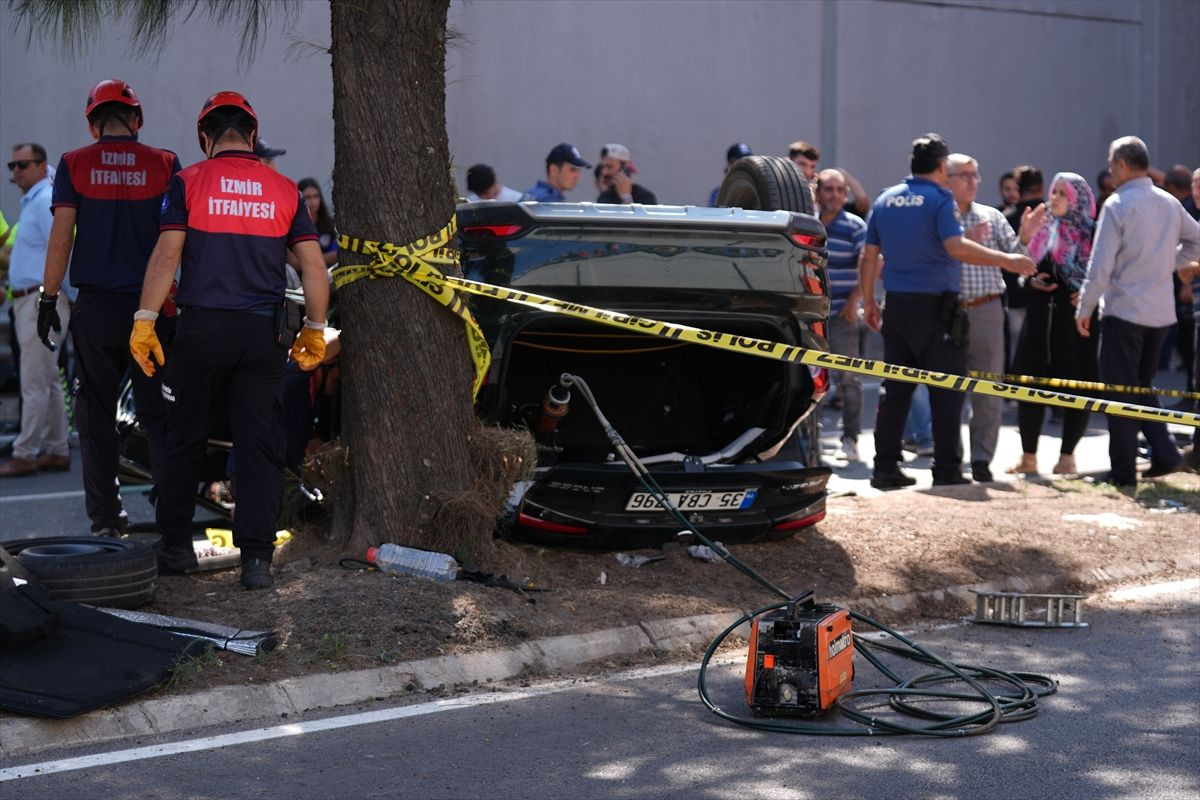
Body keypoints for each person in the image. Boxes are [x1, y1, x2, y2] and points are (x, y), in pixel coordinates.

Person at [132, 90, 329, 589]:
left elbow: (166, 255)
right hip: (262, 335)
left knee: (183, 438)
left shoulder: (189, 182)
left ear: (205, 138)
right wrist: (314, 329)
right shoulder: (284, 190)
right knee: (259, 443)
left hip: (201, 331)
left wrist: (145, 320)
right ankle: (257, 562)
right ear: (253, 136)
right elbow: (312, 265)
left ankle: (174, 549)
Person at [39, 80, 181, 534]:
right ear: (136, 120)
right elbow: (178, 241)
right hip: (152, 311)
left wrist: (47, 297)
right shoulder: (165, 164)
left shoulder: (73, 164)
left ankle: (106, 521)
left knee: (96, 415)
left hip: (96, 310)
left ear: (92, 121)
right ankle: (171, 517)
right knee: (159, 413)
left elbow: (62, 236)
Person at [859, 133, 1035, 489]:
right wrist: (1008, 260)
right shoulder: (940, 199)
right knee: (946, 392)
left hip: (897, 306)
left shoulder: (886, 199)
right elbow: (955, 247)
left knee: (895, 392)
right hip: (937, 310)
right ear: (942, 167)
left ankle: (885, 467)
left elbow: (869, 254)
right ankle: (947, 469)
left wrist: (870, 302)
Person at [1075, 136, 1200, 486]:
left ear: (1121, 165)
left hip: (1124, 311)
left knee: (1120, 394)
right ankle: (1165, 455)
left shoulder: (1117, 204)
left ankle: (1123, 473)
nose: (1111, 171)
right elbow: (1197, 239)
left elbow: (1099, 267)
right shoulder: (1169, 203)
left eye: (1112, 164)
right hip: (1160, 314)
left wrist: (1085, 306)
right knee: (1141, 387)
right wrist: (1167, 264)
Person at [1006, 173, 1099, 477]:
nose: (1054, 197)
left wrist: (1089, 294)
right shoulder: (1042, 231)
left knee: (1076, 387)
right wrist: (1032, 281)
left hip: (1073, 325)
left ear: (1078, 199)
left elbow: (1107, 273)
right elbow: (1017, 275)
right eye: (1053, 191)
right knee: (1028, 388)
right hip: (1038, 323)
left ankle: (1068, 456)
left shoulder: (1092, 233)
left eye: (1063, 192)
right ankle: (1029, 456)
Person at [946, 153, 1023, 483]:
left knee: (988, 390)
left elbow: (1015, 255)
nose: (973, 181)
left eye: (976, 175)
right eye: (965, 175)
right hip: (948, 312)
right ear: (946, 179)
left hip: (988, 309)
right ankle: (949, 459)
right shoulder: (940, 216)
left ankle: (981, 459)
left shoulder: (992, 216)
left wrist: (1029, 236)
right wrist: (966, 243)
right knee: (947, 389)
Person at [0, 143, 72, 478]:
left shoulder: (44, 202)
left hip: (40, 300)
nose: (15, 172)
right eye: (12, 166)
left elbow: (61, 248)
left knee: (34, 380)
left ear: (42, 166)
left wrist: (52, 297)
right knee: (47, 380)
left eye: (22, 165)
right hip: (36, 299)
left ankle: (25, 452)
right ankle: (56, 448)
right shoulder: (38, 201)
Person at [815, 168, 867, 462]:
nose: (834, 195)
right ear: (818, 193)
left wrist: (855, 302)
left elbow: (872, 264)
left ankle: (850, 440)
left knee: (849, 380)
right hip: (811, 317)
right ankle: (814, 440)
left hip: (843, 317)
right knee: (812, 378)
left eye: (839, 190)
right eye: (828, 189)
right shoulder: (809, 225)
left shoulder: (855, 226)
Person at [298, 178, 338, 267]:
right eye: (307, 197)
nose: (312, 201)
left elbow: (336, 249)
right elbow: (295, 263)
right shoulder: (295, 226)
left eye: (316, 196)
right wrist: (329, 257)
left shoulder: (331, 223)